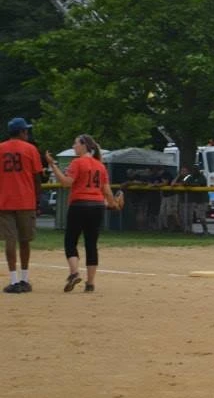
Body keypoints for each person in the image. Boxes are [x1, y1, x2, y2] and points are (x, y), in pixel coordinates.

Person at [45, 135, 123, 293]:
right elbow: (107, 191)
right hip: (97, 206)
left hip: (79, 205)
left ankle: (74, 273)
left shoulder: (77, 162)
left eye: (76, 143)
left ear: (84, 145)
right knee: (91, 244)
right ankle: (90, 283)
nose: (74, 146)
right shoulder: (100, 165)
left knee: (70, 241)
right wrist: (113, 204)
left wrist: (53, 165)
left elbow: (66, 182)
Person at [0, 117, 43, 293]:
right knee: (24, 240)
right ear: (21, 132)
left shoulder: (1, 148)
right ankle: (24, 279)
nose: (27, 133)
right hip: (26, 200)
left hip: (4, 201)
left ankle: (14, 280)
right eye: (26, 131)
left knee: (10, 241)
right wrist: (38, 200)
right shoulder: (31, 149)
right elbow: (37, 177)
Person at [183, 164, 209, 234]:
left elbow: (198, 184)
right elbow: (184, 183)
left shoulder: (202, 177)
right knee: (198, 216)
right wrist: (191, 184)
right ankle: (204, 230)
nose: (194, 171)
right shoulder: (190, 176)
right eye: (193, 169)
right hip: (196, 200)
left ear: (198, 170)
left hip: (203, 199)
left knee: (201, 216)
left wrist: (190, 184)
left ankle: (205, 230)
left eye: (196, 169)